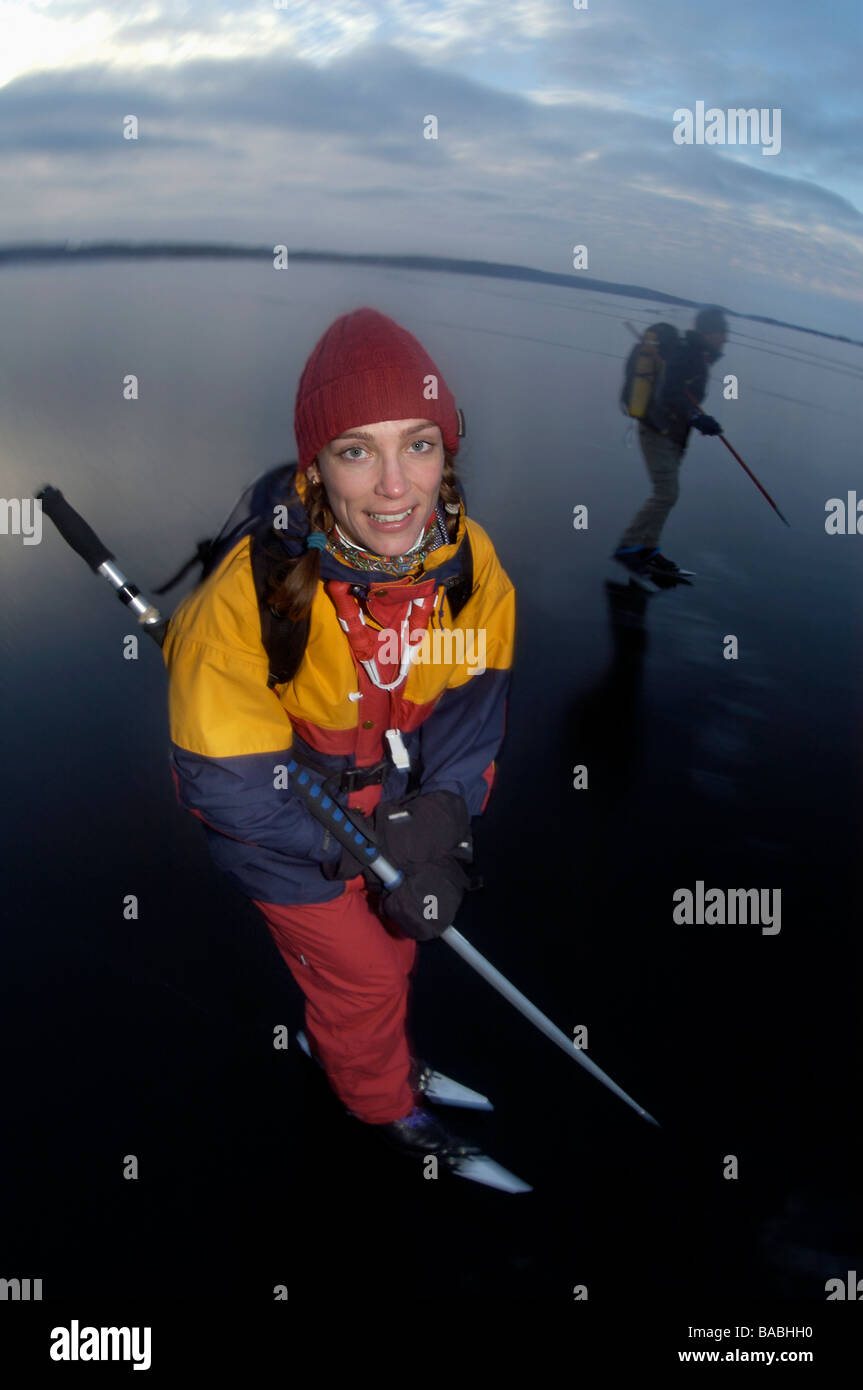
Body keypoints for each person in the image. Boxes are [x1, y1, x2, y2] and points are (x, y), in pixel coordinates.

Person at [162, 307, 516, 1167]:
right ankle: (379, 1105)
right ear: (316, 466)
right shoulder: (251, 598)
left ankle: (364, 1048)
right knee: (361, 976)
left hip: (387, 823)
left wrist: (438, 820)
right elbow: (223, 782)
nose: (395, 487)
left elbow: (470, 727)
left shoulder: (468, 573)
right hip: (287, 842)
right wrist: (356, 845)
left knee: (394, 956)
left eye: (420, 444)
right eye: (357, 450)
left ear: (448, 449)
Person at [612, 305, 727, 579]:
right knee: (667, 493)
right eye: (722, 332)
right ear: (708, 332)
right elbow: (669, 394)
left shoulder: (696, 355)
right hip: (657, 432)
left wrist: (699, 420)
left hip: (672, 435)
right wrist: (698, 419)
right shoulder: (689, 355)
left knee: (667, 494)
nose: (726, 338)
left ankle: (648, 548)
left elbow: (681, 394)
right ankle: (628, 546)